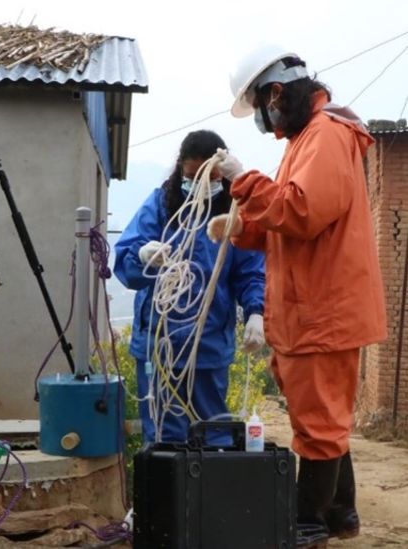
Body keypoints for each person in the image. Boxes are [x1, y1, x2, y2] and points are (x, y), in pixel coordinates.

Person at [208, 45, 387, 546]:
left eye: (262, 111)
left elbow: (304, 212)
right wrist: (240, 227)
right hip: (312, 307)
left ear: (277, 93)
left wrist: (243, 181)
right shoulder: (308, 140)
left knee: (319, 423)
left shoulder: (326, 135)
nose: (266, 124)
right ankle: (340, 516)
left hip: (323, 308)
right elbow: (285, 219)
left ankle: (305, 523)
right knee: (322, 416)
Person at [114, 129, 266, 445]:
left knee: (214, 435)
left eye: (206, 177)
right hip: (159, 347)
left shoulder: (233, 215)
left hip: (208, 347)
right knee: (162, 441)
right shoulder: (160, 204)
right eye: (190, 176)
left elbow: (251, 272)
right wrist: (143, 255)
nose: (197, 186)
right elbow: (127, 258)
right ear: (181, 169)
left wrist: (256, 312)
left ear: (222, 175)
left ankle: (210, 494)